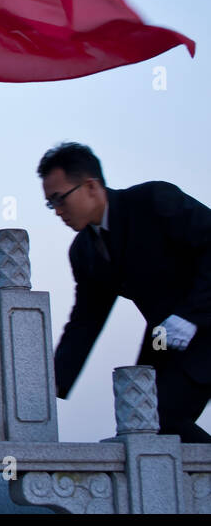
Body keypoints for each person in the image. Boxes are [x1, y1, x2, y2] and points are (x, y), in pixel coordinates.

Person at [39, 141, 211, 443]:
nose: (57, 211)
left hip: (201, 319)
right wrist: (50, 384)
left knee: (160, 420)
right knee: (146, 420)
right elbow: (86, 321)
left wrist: (190, 316)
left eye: (60, 199)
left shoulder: (154, 201)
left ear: (91, 186)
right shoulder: (84, 252)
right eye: (51, 204)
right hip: (167, 339)